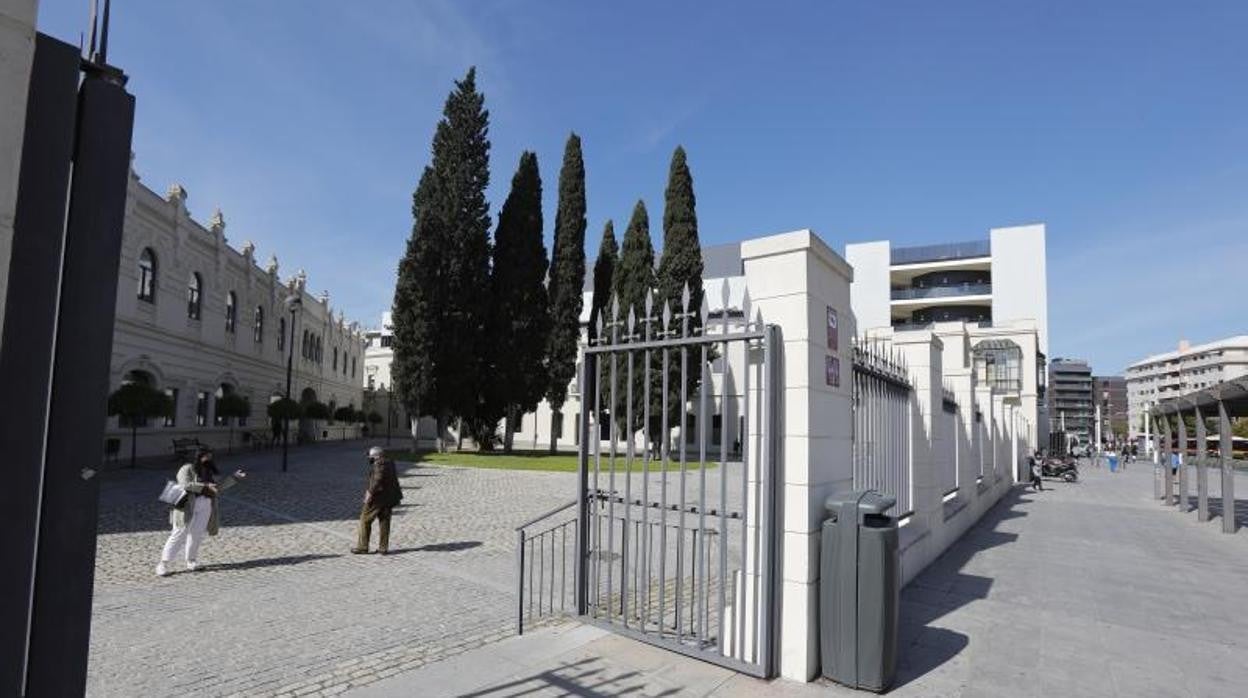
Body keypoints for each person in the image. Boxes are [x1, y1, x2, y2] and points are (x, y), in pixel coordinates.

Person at [156, 449, 247, 576]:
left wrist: (234, 478)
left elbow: (218, 488)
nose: (209, 460)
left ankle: (191, 560)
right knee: (179, 534)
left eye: (210, 457)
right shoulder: (187, 468)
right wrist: (205, 487)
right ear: (199, 457)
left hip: (206, 505)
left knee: (197, 534)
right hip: (187, 506)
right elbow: (185, 484)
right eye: (206, 457)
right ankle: (163, 564)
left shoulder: (210, 471)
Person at [352, 446, 402, 555]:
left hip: (378, 498)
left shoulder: (379, 464)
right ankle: (383, 548)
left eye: (371, 457)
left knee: (364, 520)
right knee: (384, 522)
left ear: (377, 457)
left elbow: (377, 479)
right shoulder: (390, 463)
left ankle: (363, 547)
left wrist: (369, 493)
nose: (369, 459)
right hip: (389, 498)